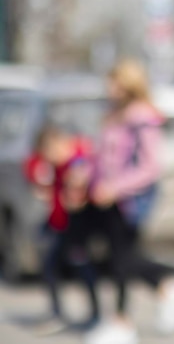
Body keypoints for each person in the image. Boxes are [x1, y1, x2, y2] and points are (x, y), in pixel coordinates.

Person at [84, 59, 174, 344]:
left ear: (129, 84)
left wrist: (115, 188)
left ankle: (127, 318)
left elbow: (149, 167)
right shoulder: (113, 115)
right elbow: (102, 158)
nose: (109, 88)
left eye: (115, 82)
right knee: (118, 258)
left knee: (123, 260)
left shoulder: (142, 117)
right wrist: (88, 180)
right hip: (104, 199)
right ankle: (162, 290)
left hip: (128, 201)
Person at [23, 124, 99, 335]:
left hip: (75, 224)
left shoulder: (76, 159)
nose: (48, 158)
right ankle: (60, 314)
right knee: (51, 267)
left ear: (58, 143)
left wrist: (76, 187)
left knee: (82, 267)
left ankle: (95, 315)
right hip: (59, 223)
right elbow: (31, 165)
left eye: (49, 152)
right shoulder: (56, 163)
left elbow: (82, 177)